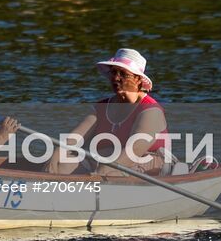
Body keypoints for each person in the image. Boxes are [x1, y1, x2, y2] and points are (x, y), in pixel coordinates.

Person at [46, 48, 169, 176]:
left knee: (112, 172)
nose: (116, 78)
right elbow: (75, 137)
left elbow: (134, 150)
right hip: (104, 159)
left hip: (146, 163)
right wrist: (55, 156)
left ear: (138, 79)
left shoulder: (151, 110)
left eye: (123, 74)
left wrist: (105, 170)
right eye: (114, 72)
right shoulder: (101, 107)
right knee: (61, 163)